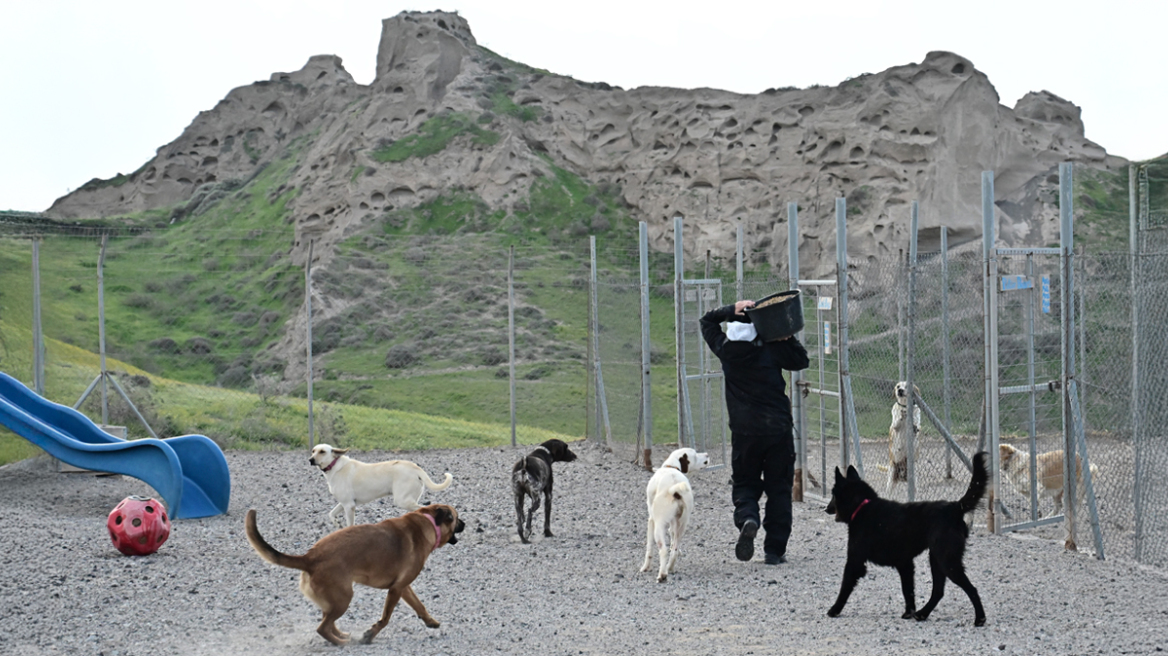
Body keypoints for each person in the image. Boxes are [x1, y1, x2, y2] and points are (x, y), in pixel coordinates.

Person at [700, 299, 809, 565]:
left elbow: (706, 322)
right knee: (779, 488)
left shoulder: (726, 350)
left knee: (745, 483)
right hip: (778, 429)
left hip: (744, 431)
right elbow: (801, 360)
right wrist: (784, 334)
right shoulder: (772, 349)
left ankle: (748, 517)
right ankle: (774, 550)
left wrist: (731, 308)